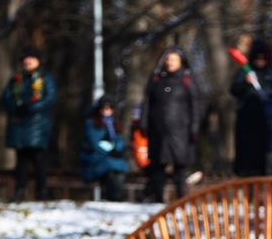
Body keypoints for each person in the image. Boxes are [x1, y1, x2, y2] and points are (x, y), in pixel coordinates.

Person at [141, 47, 199, 203]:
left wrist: (194, 127)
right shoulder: (156, 79)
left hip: (181, 130)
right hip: (158, 129)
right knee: (158, 165)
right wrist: (144, 122)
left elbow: (195, 105)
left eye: (173, 59)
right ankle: (158, 198)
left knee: (180, 166)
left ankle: (182, 199)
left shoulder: (187, 80)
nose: (170, 63)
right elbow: (147, 102)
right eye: (167, 59)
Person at [1, 46, 57, 202]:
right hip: (19, 124)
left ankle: (43, 191)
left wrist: (31, 108)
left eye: (31, 58)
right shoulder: (17, 78)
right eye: (25, 58)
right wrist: (16, 107)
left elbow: (50, 98)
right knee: (21, 160)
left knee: (38, 159)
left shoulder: (45, 77)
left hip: (37, 125)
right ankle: (19, 190)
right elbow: (6, 97)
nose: (27, 61)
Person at [229, 39, 272, 176]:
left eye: (263, 58)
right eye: (257, 57)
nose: (260, 60)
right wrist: (245, 83)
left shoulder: (270, 75)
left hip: (264, 121)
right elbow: (233, 90)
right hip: (246, 122)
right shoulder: (245, 72)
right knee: (245, 155)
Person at [80, 95, 129, 201]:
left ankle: (116, 195)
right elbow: (94, 143)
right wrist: (110, 151)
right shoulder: (91, 122)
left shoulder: (115, 123)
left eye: (109, 107)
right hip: (93, 158)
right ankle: (113, 196)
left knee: (120, 165)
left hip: (110, 157)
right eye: (103, 107)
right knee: (111, 164)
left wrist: (117, 150)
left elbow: (120, 140)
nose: (106, 110)